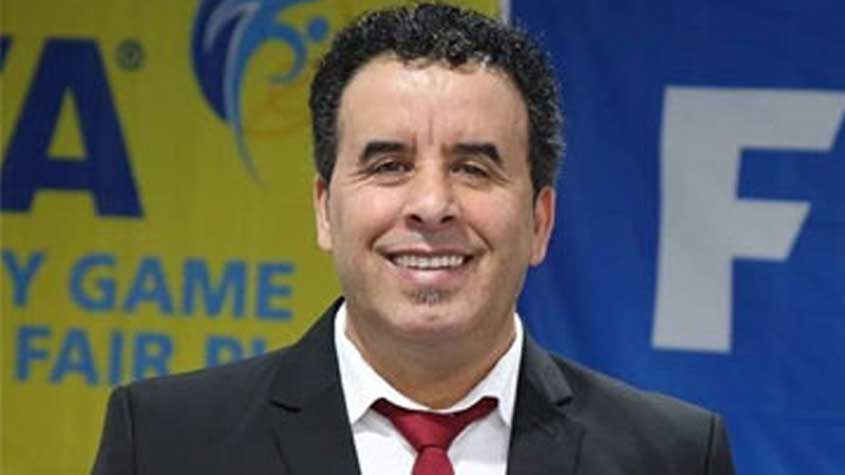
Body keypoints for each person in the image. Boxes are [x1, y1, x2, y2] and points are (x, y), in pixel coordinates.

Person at [92, 3, 734, 474]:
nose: (431, 205)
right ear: (324, 210)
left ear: (540, 222)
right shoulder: (167, 444)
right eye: (389, 165)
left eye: (474, 168)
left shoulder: (671, 457)